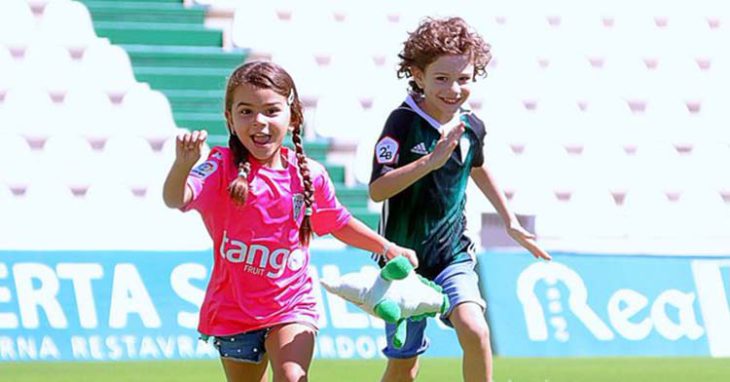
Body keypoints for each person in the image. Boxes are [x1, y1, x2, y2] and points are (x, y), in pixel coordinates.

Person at [162, 60, 418, 382]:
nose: (259, 122)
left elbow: (338, 222)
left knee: (292, 376)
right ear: (229, 118)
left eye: (271, 111)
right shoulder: (220, 165)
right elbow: (177, 198)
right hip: (234, 310)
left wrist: (387, 247)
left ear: (293, 115)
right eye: (246, 112)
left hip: (291, 303)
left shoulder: (308, 174)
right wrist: (181, 166)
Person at [369, 17, 552, 382]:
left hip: (453, 254)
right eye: (441, 78)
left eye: (463, 79)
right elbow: (378, 189)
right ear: (418, 76)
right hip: (402, 263)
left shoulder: (471, 126)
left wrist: (509, 219)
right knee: (405, 363)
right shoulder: (402, 123)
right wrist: (429, 162)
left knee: (476, 330)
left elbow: (477, 166)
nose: (453, 89)